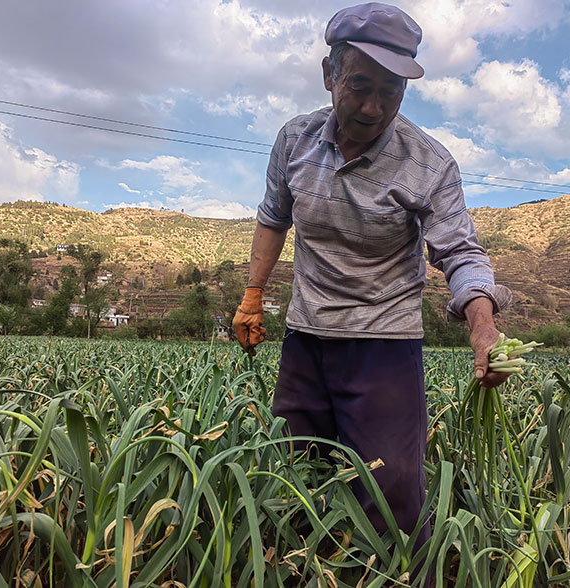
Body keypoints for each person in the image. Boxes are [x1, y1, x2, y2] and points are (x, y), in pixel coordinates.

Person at [233, 0, 511, 565]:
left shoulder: (429, 163)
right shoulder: (294, 140)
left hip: (384, 346)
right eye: (359, 85)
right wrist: (252, 296)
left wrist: (482, 324)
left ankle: (402, 576)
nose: (372, 105)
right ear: (329, 74)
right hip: (306, 338)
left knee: (393, 499)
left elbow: (458, 250)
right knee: (294, 475)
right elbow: (272, 217)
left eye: (391, 91)